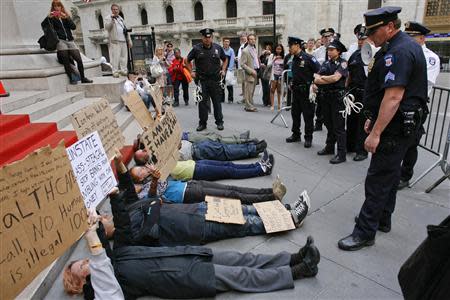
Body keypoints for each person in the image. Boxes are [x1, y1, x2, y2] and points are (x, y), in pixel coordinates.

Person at [63, 210, 320, 299]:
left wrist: (96, 221)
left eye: (84, 260)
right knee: (242, 275)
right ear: (81, 283)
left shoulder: (115, 257)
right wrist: (94, 253)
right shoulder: (108, 289)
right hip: (186, 277)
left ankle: (293, 257)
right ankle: (299, 271)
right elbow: (102, 275)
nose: (88, 262)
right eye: (82, 268)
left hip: (187, 255)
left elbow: (118, 232)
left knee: (242, 259)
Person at [338, 7, 428, 251]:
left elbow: (394, 97)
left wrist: (376, 133)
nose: (370, 36)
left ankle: (365, 232)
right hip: (400, 125)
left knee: (377, 179)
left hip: (395, 128)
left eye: (374, 30)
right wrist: (374, 118)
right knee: (389, 175)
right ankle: (382, 219)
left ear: (389, 26)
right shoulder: (400, 46)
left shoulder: (398, 51)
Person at [398, 21, 441, 189]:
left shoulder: (430, 57)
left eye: (412, 37)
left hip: (416, 105)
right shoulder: (405, 52)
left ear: (422, 38)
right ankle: (393, 171)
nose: (408, 39)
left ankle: (405, 175)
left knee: (411, 142)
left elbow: (424, 81)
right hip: (399, 103)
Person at [133, 150, 275, 181]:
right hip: (196, 173)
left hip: (194, 164)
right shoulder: (153, 179)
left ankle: (257, 165)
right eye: (141, 171)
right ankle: (261, 170)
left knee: (228, 164)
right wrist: (154, 175)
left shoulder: (153, 161)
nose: (144, 169)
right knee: (228, 170)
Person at [313, 39, 349, 164]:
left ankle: (341, 153)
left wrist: (321, 79)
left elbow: (336, 77)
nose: (329, 51)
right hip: (326, 97)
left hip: (337, 98)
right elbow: (316, 77)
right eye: (328, 49)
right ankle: (329, 147)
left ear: (338, 51)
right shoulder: (326, 63)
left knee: (339, 126)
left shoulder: (343, 63)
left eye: (332, 49)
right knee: (328, 123)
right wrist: (322, 79)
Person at [42, 0, 92, 85]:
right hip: (60, 41)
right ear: (53, 8)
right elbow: (44, 26)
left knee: (79, 60)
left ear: (61, 7)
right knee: (65, 60)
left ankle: (83, 78)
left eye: (58, 6)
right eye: (55, 6)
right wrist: (48, 18)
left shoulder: (65, 16)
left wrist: (67, 17)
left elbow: (73, 27)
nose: (57, 8)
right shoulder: (52, 18)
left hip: (70, 40)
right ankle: (71, 79)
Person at [186, 28, 228, 131]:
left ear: (212, 38)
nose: (207, 39)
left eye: (209, 37)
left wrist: (223, 69)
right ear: (202, 38)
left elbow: (225, 59)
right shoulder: (196, 49)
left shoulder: (218, 48)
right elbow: (187, 60)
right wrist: (191, 71)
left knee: (217, 103)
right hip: (202, 81)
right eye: (205, 37)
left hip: (215, 80)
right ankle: (202, 123)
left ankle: (219, 122)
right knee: (202, 104)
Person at [286, 37, 321, 148]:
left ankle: (308, 138)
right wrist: (291, 82)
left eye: (291, 46)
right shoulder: (294, 59)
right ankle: (296, 134)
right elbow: (296, 74)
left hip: (306, 92)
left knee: (308, 115)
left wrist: (315, 83)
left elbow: (319, 71)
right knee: (295, 114)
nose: (290, 49)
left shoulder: (309, 58)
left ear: (297, 45)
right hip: (296, 91)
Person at [346, 27, 369, 162]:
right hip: (353, 93)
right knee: (351, 120)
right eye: (359, 39)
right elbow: (350, 73)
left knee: (363, 123)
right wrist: (346, 89)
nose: (360, 42)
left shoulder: (373, 54)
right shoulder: (355, 55)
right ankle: (350, 145)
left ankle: (362, 150)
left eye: (363, 39)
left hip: (365, 93)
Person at [136, 139, 267, 162]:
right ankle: (253, 149)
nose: (144, 149)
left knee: (225, 148)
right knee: (226, 152)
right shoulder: (157, 160)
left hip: (197, 146)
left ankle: (251, 146)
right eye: (142, 152)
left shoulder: (156, 149)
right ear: (143, 157)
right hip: (197, 152)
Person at [313, 28, 335, 131]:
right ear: (322, 39)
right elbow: (314, 67)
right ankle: (318, 123)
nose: (327, 38)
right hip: (321, 80)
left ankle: (330, 122)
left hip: (333, 80)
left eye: (329, 36)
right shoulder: (317, 51)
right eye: (325, 37)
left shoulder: (337, 49)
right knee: (320, 102)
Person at [105, 3, 132, 77]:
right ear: (111, 10)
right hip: (115, 40)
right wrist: (112, 20)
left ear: (119, 10)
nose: (115, 11)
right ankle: (115, 71)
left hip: (123, 40)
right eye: (114, 9)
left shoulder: (121, 18)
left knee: (124, 56)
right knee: (116, 57)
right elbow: (107, 28)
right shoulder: (108, 18)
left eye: (117, 9)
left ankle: (123, 70)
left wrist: (129, 40)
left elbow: (125, 30)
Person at [240, 34, 260, 112]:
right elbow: (242, 64)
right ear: (248, 41)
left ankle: (250, 104)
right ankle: (248, 106)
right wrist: (251, 71)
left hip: (256, 71)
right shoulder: (245, 50)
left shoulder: (254, 49)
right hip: (250, 73)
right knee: (248, 90)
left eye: (254, 39)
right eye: (251, 39)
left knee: (252, 90)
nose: (253, 40)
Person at [267, 44, 286, 111]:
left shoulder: (284, 56)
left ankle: (279, 105)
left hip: (281, 75)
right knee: (272, 90)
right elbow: (268, 65)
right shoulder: (272, 56)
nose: (278, 50)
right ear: (275, 49)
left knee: (279, 91)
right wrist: (274, 59)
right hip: (274, 75)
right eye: (277, 49)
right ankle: (272, 105)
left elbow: (286, 65)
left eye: (280, 49)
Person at [221, 38, 236, 104]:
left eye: (228, 42)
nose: (226, 43)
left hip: (228, 69)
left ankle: (230, 99)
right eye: (225, 42)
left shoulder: (231, 50)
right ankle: (221, 99)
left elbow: (232, 60)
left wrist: (229, 70)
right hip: (221, 69)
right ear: (223, 42)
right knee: (221, 84)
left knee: (229, 85)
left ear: (229, 43)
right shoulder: (221, 49)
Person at [237, 33, 248, 101]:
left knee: (246, 83)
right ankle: (244, 97)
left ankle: (246, 98)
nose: (243, 38)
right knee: (243, 83)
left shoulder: (247, 45)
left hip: (245, 67)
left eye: (244, 37)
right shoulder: (241, 45)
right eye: (241, 37)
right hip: (240, 67)